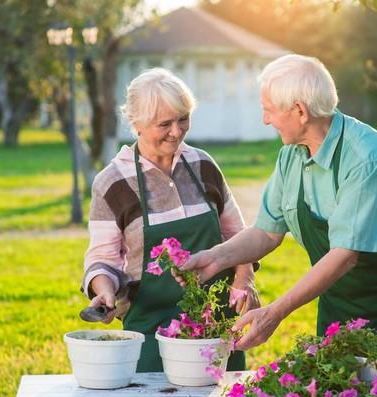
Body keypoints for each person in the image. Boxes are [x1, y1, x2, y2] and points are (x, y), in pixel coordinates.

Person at [175, 54, 377, 351]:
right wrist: (216, 257)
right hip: (341, 304)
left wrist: (275, 312)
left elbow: (345, 255)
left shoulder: (367, 157)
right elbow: (266, 232)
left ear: (300, 111)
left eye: (269, 111)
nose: (265, 120)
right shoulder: (292, 155)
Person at [81, 68, 259, 372]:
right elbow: (102, 260)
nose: (176, 131)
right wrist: (105, 291)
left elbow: (238, 237)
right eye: (164, 123)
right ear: (136, 122)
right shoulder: (112, 182)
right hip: (150, 332)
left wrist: (245, 280)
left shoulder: (203, 165)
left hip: (215, 328)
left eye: (183, 119)